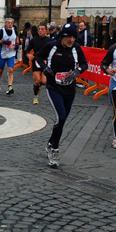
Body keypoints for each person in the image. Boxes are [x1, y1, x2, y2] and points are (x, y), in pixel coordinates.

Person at [36, 23, 87, 168]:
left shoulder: (76, 48)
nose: (71, 40)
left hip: (69, 89)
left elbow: (84, 64)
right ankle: (54, 150)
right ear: (62, 36)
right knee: (61, 117)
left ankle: (51, 142)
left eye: (73, 37)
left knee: (62, 120)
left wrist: (77, 72)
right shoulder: (52, 46)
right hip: (54, 87)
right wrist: (45, 68)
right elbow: (38, 56)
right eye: (68, 37)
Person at [26, 23, 53, 104]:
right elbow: (27, 50)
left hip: (45, 62)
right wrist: (28, 55)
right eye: (39, 29)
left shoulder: (49, 41)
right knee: (37, 80)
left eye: (42, 29)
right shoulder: (34, 40)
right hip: (36, 61)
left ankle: (38, 87)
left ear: (46, 31)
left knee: (44, 82)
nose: (40, 31)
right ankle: (35, 96)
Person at [0, 18, 20, 95]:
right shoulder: (2, 31)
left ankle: (10, 87)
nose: (10, 24)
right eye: (8, 23)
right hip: (3, 53)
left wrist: (17, 44)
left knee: (11, 70)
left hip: (11, 54)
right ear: (5, 24)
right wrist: (3, 42)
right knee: (0, 71)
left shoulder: (14, 31)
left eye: (11, 23)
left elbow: (17, 37)